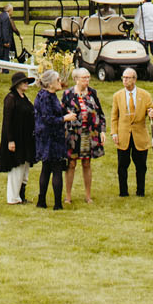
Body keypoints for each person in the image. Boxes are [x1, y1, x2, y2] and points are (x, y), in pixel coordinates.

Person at [62, 66, 105, 205]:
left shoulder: (92, 93)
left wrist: (102, 131)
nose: (87, 80)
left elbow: (100, 114)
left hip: (89, 133)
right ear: (76, 79)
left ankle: (88, 195)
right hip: (73, 134)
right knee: (71, 164)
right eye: (84, 78)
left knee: (87, 163)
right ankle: (68, 196)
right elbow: (61, 113)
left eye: (88, 77)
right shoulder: (68, 94)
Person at [110, 66, 153, 197]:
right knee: (122, 165)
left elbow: (151, 111)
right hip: (123, 134)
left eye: (127, 78)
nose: (124, 80)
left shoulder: (145, 95)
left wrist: (152, 113)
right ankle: (123, 192)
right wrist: (114, 133)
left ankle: (140, 191)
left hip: (139, 135)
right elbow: (114, 116)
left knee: (141, 166)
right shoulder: (117, 96)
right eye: (123, 78)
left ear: (134, 79)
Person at [0, 70, 36, 204]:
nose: (26, 84)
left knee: (24, 167)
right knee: (16, 167)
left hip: (26, 138)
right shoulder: (11, 98)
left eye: (27, 82)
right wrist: (10, 140)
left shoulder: (25, 98)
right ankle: (13, 197)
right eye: (23, 82)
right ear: (17, 84)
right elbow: (7, 121)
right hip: (16, 138)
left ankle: (21, 195)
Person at [34, 69, 72, 210]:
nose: (60, 82)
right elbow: (48, 119)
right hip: (49, 137)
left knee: (47, 168)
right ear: (50, 84)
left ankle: (42, 201)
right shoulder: (45, 97)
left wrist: (66, 113)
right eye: (57, 80)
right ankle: (56, 204)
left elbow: (57, 111)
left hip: (52, 136)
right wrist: (65, 118)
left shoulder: (52, 95)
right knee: (55, 168)